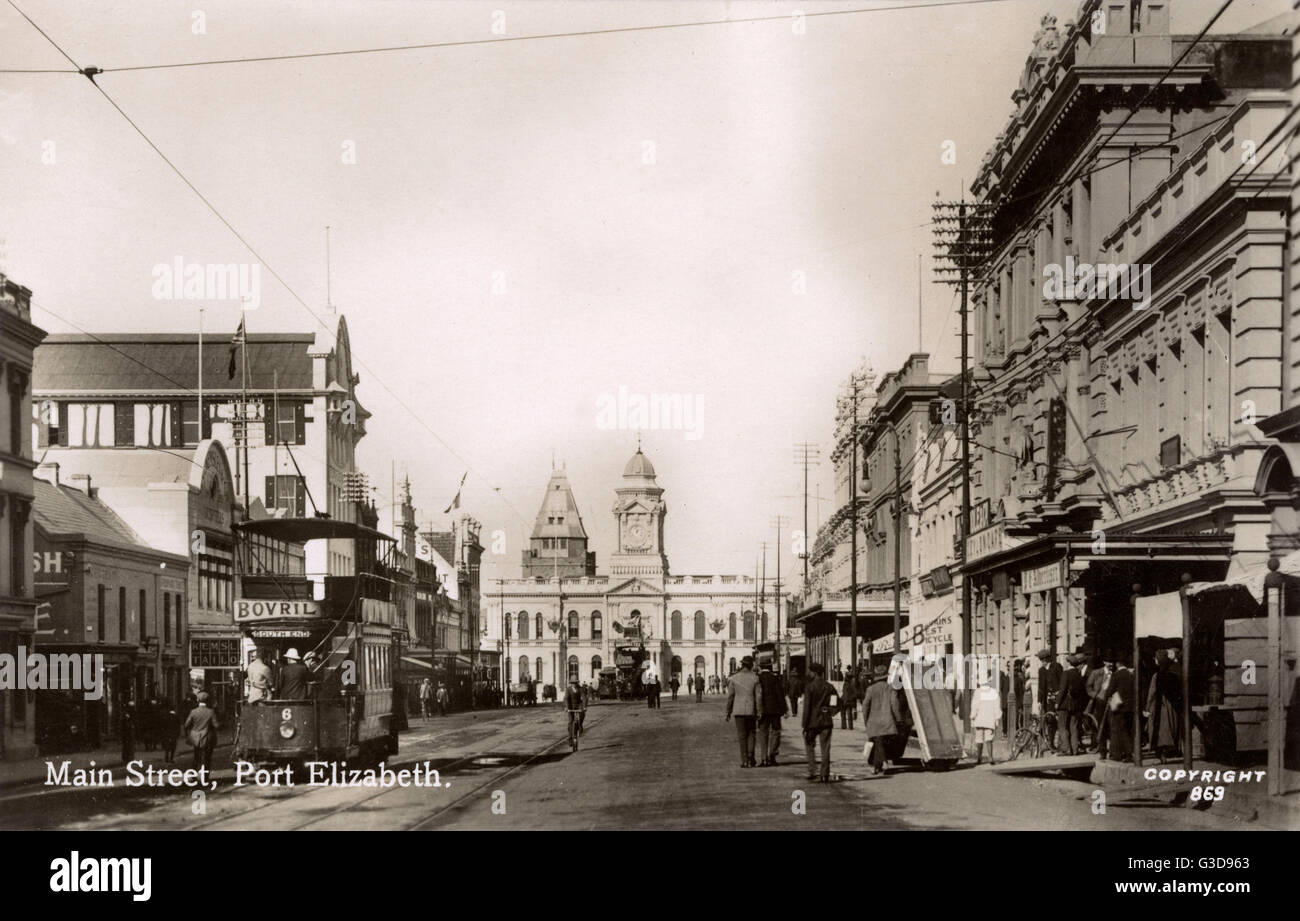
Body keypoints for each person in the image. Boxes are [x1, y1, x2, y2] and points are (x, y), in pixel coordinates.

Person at [860, 663, 905, 775]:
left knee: (878, 741)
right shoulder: (890, 689)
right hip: (887, 721)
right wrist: (899, 719)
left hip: (874, 722)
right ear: (886, 676)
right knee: (881, 742)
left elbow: (865, 706)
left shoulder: (870, 689)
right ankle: (880, 763)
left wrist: (866, 720)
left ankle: (880, 764)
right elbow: (895, 704)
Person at [724, 656, 762, 768]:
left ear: (742, 665)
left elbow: (730, 697)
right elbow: (758, 696)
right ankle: (751, 758)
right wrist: (759, 710)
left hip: (738, 710)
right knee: (751, 734)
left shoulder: (734, 678)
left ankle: (744, 760)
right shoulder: (755, 678)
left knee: (742, 736)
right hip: (751, 710)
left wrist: (728, 711)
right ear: (751, 665)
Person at [1144, 648, 1182, 760]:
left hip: (1159, 706)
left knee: (1159, 730)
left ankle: (1161, 752)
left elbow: (1152, 693)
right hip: (1171, 706)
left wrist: (1147, 708)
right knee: (1170, 728)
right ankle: (1170, 750)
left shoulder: (1157, 675)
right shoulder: (1174, 671)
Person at [801, 663, 836, 782]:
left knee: (809, 745)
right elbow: (836, 702)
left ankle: (812, 770)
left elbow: (807, 708)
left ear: (814, 673)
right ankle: (824, 773)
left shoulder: (810, 687)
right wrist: (830, 711)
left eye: (810, 671)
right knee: (825, 748)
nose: (809, 673)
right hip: (826, 720)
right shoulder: (829, 687)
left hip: (812, 721)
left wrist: (804, 725)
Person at [1104, 657, 1137, 762]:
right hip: (1130, 707)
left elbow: (1109, 691)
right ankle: (1128, 752)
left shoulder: (1116, 675)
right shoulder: (1131, 675)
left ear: (1118, 664)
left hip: (1119, 707)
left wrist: (1106, 695)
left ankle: (1122, 754)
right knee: (1128, 730)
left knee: (1119, 731)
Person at [755, 660, 787, 766]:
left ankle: (763, 758)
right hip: (775, 710)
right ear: (770, 667)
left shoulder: (758, 678)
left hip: (763, 710)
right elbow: (780, 694)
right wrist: (784, 709)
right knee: (775, 732)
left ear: (761, 667)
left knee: (763, 732)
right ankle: (772, 756)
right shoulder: (775, 678)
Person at [1054, 652, 1086, 755]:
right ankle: (1075, 749)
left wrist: (1057, 703)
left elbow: (1062, 690)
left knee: (1062, 726)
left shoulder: (1066, 674)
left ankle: (1066, 749)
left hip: (1065, 705)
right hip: (1076, 706)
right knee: (1074, 727)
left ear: (1068, 663)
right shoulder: (1078, 674)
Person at [183, 691, 220, 771]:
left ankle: (193, 775)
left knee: (196, 757)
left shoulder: (193, 711)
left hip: (196, 738)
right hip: (207, 738)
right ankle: (205, 779)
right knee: (207, 759)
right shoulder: (211, 712)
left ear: (198, 700)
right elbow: (216, 725)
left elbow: (186, 724)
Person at [970, 669, 1001, 765]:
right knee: (989, 739)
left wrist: (972, 716)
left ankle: (979, 758)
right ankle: (990, 758)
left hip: (979, 719)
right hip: (989, 719)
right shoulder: (993, 692)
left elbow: (975, 706)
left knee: (979, 739)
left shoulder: (977, 692)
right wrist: (997, 718)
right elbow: (997, 706)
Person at [1036, 649, 1062, 749]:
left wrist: (1058, 693)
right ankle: (1051, 743)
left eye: (1043, 660)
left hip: (1058, 699)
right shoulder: (1041, 671)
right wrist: (1039, 701)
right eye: (1041, 661)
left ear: (1047, 659)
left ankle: (1060, 742)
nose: (1042, 663)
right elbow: (1040, 687)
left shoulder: (1057, 667)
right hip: (1047, 701)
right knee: (1049, 721)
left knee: (1059, 720)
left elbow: (1062, 683)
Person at [1085, 658, 1113, 753]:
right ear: (1104, 662)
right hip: (1099, 703)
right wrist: (1095, 695)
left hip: (1111, 703)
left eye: (1112, 662)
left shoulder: (1115, 673)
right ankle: (1101, 748)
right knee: (1099, 725)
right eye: (1109, 662)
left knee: (1112, 725)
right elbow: (1088, 686)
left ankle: (1113, 749)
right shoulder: (1096, 673)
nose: (1111, 664)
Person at [564, 677, 586, 748]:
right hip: (571, 706)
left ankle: (580, 725)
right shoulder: (568, 689)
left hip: (579, 705)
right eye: (572, 683)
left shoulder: (580, 688)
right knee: (571, 722)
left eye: (575, 683)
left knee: (582, 714)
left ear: (577, 683)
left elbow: (584, 697)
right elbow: (566, 699)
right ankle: (570, 739)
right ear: (571, 683)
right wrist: (567, 707)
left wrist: (584, 707)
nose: (574, 684)